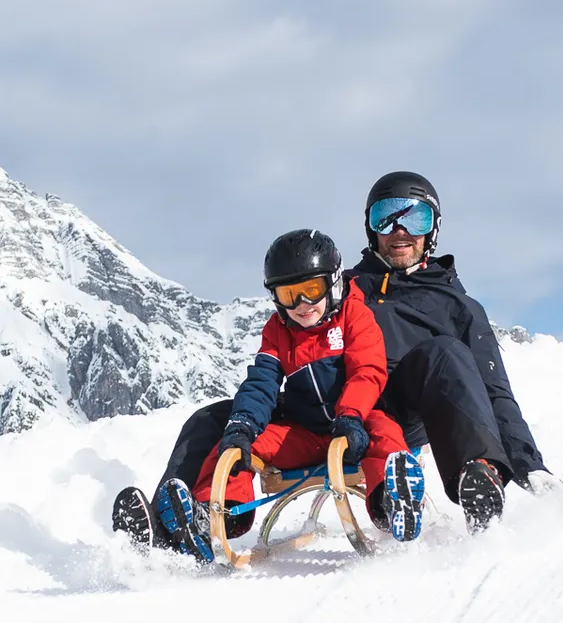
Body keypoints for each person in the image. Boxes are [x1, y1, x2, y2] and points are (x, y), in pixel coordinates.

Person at [114, 171, 563, 547]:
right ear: (370, 226)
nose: (399, 232)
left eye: (416, 217)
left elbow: (493, 392)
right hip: (319, 409)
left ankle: (476, 479)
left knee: (443, 353)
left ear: (434, 226)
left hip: (395, 407)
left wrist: (529, 464)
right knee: (216, 417)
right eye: (386, 217)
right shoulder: (337, 289)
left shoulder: (457, 306)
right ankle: (169, 527)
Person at [113, 229, 425, 560]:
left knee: (386, 436)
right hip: (304, 432)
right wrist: (242, 427)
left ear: (333, 283)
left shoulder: (354, 316)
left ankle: (392, 503)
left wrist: (350, 416)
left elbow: (367, 371)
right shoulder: (278, 331)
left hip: (357, 423)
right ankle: (212, 516)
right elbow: (262, 382)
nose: (302, 304)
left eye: (311, 290)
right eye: (290, 294)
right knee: (235, 449)